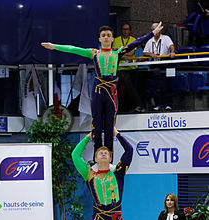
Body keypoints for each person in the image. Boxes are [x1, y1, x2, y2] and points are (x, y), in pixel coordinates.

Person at [41, 23, 163, 156]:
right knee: (96, 128)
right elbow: (73, 49)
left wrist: (153, 33)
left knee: (110, 128)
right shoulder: (94, 53)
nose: (106, 37)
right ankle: (96, 158)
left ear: (112, 39)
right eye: (103, 35)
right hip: (98, 94)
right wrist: (54, 46)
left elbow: (137, 42)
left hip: (111, 94)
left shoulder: (117, 52)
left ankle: (109, 160)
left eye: (108, 35)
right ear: (99, 39)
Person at [143, 22, 175, 111]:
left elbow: (171, 46)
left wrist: (172, 52)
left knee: (166, 85)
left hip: (165, 63)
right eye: (153, 29)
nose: (155, 31)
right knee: (155, 86)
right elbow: (144, 52)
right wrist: (151, 54)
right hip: (154, 64)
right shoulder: (150, 40)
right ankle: (158, 104)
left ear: (160, 30)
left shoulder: (166, 38)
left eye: (157, 29)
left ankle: (168, 104)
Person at [112, 23, 144, 112]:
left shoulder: (133, 40)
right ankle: (139, 105)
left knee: (134, 87)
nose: (125, 31)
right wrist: (123, 54)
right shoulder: (116, 40)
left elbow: (131, 54)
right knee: (128, 84)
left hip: (132, 67)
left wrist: (122, 53)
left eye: (127, 29)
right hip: (122, 68)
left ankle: (133, 106)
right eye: (123, 29)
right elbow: (116, 54)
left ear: (130, 31)